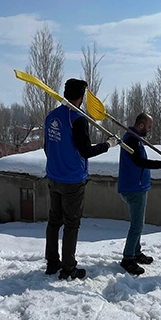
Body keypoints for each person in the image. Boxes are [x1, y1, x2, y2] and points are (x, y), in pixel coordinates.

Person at [44, 78, 113, 279]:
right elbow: (85, 151)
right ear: (81, 97)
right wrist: (108, 145)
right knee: (71, 224)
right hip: (73, 179)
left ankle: (52, 262)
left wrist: (57, 162)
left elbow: (47, 146)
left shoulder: (51, 116)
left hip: (53, 177)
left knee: (54, 221)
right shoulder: (77, 118)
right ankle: (68, 267)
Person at [117, 113, 161, 276]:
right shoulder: (130, 140)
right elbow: (139, 162)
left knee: (139, 224)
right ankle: (128, 258)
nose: (150, 130)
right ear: (141, 125)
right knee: (137, 226)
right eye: (149, 127)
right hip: (133, 188)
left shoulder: (134, 138)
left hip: (137, 186)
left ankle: (135, 252)